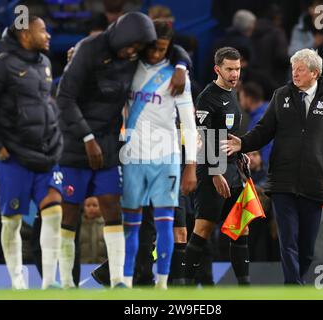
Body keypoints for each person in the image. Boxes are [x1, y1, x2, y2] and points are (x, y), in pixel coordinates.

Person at [56, 12, 191, 289]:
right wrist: (87, 137)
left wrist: (181, 65)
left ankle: (134, 281)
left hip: (137, 152)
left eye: (139, 48)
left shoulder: (155, 64)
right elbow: (65, 96)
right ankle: (80, 282)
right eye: (139, 47)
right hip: (100, 148)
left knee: (132, 216)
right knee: (82, 215)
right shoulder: (109, 56)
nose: (139, 53)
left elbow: (171, 47)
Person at [222, 48, 323, 284]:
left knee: (307, 249)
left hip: (315, 181)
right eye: (293, 69)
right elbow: (264, 129)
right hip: (282, 180)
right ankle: (292, 288)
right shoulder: (281, 95)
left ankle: (294, 286)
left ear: (315, 73)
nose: (295, 74)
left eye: (300, 69)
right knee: (288, 239)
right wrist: (243, 143)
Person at [0, 16, 63, 289]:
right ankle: (17, 281)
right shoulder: (1, 65)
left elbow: (45, 105)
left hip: (46, 156)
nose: (48, 35)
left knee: (54, 211)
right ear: (25, 35)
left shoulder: (45, 64)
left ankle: (49, 282)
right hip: (14, 159)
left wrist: (56, 136)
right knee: (11, 222)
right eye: (42, 30)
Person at [119, 20, 197, 289]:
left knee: (165, 224)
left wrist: (191, 166)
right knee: (132, 225)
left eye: (162, 49)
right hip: (132, 157)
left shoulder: (177, 76)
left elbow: (189, 123)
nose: (155, 54)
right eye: (152, 48)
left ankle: (162, 285)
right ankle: (127, 282)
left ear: (169, 48)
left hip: (166, 158)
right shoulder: (128, 68)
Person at [185, 47, 249, 286]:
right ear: (217, 69)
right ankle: (185, 284)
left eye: (238, 69)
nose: (234, 74)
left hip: (231, 168)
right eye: (229, 69)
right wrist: (215, 172)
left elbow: (226, 134)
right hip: (212, 169)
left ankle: (245, 286)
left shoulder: (232, 93)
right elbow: (202, 136)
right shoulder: (207, 96)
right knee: (203, 228)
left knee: (242, 227)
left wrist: (240, 153)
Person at [80, 197, 107, 264]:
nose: (91, 208)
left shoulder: (106, 225)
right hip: (82, 267)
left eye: (95, 205)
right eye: (88, 206)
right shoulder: (78, 226)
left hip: (102, 267)